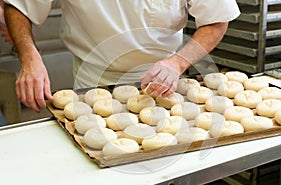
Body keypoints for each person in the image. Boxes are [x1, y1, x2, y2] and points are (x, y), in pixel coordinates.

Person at [3, 0, 240, 112]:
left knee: (163, 174)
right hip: (92, 84)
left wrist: (177, 63)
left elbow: (217, 20)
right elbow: (19, 6)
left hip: (165, 83)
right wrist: (30, 57)